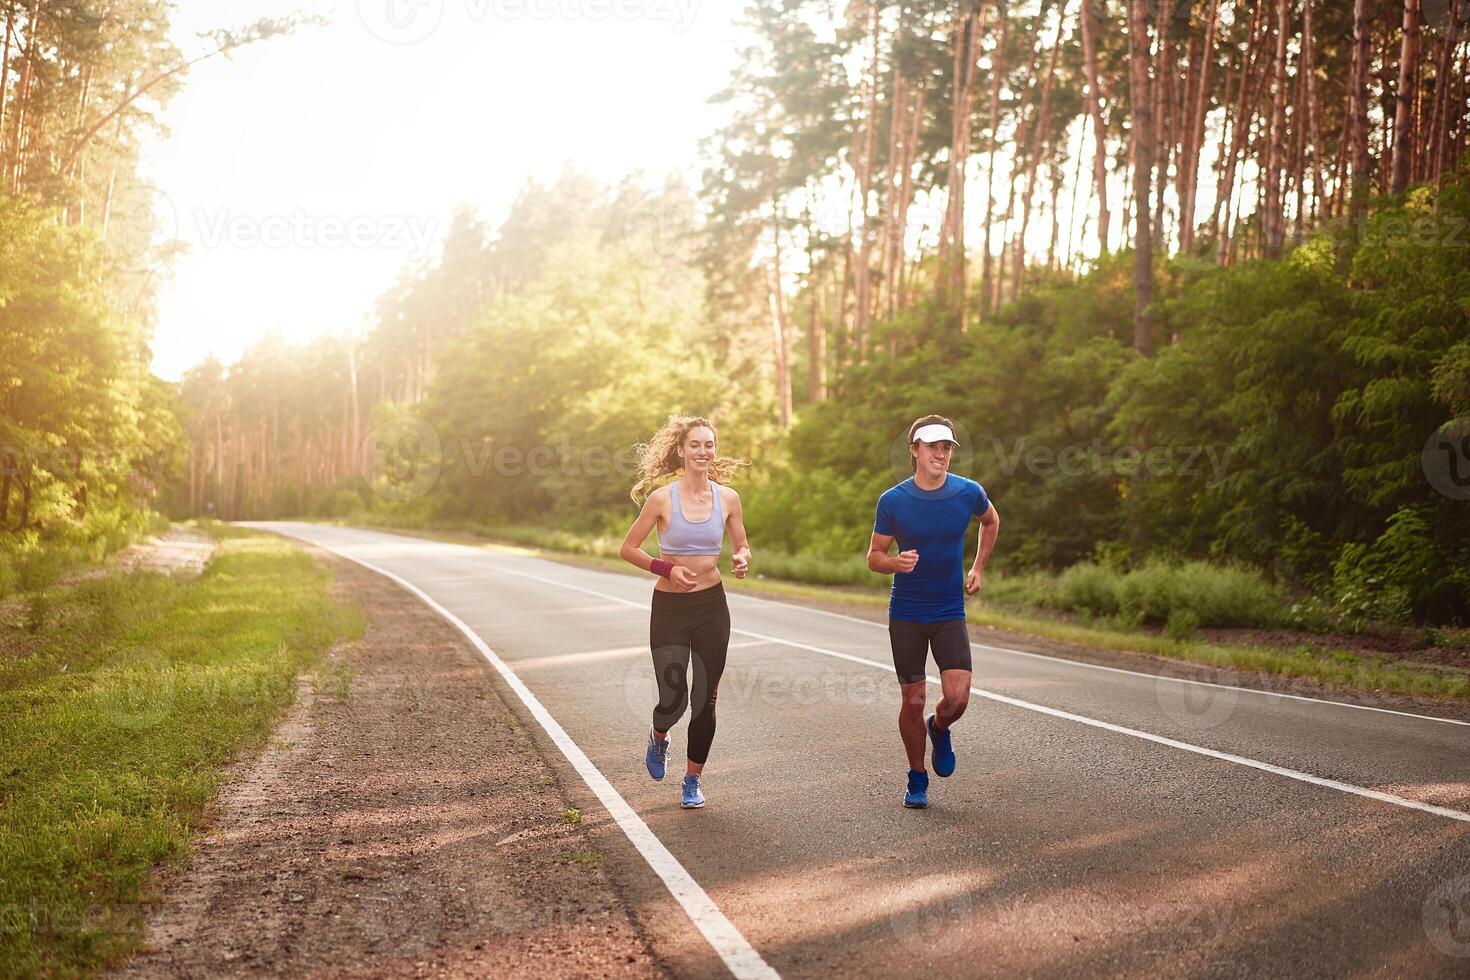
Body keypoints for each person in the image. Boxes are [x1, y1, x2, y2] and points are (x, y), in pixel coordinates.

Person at [866, 415, 999, 809]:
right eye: (932, 446)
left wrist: (977, 567)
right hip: (906, 612)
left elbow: (990, 521)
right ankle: (916, 776)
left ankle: (939, 729)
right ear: (915, 450)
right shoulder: (893, 500)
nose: (940, 453)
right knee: (912, 700)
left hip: (948, 611)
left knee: (957, 698)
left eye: (946, 447)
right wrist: (895, 563)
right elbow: (874, 557)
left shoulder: (968, 492)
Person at [619, 416, 751, 809]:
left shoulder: (728, 498)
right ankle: (659, 736)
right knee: (672, 698)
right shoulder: (662, 499)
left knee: (705, 698)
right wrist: (667, 568)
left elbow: (742, 544)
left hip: (712, 606)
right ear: (681, 450)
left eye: (709, 445)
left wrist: (742, 559)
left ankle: (692, 781)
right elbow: (629, 549)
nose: (703, 451)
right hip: (670, 607)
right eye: (695, 444)